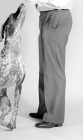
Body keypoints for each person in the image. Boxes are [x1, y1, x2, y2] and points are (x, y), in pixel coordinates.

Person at [25, 0, 73, 128]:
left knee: (54, 69)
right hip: (47, 16)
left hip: (55, 16)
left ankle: (54, 117)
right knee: (45, 68)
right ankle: (45, 110)